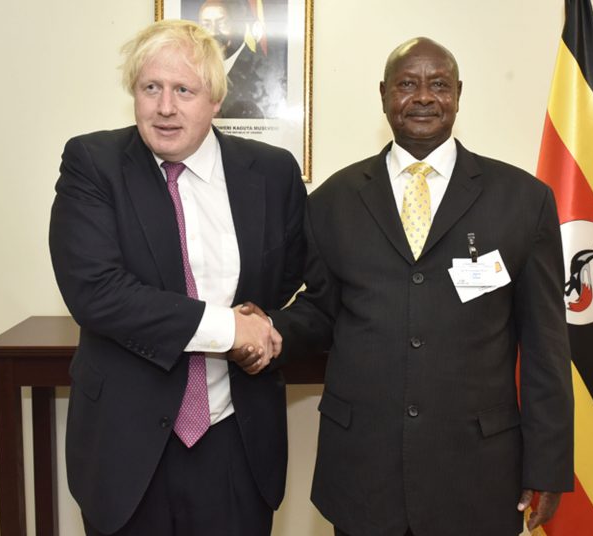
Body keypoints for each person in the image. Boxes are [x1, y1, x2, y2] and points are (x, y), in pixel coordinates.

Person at [238, 37, 574, 536]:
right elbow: (323, 312)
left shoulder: (523, 200)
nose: (423, 97)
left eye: (439, 84)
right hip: (362, 471)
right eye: (407, 84)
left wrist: (546, 467)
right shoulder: (334, 200)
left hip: (478, 473)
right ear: (383, 94)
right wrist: (269, 328)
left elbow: (546, 346)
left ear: (459, 93)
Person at [49, 19, 306, 536]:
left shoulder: (272, 173)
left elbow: (298, 281)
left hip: (236, 441)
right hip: (125, 448)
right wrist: (229, 329)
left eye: (183, 90)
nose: (165, 107)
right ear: (134, 95)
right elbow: (97, 293)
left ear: (214, 100)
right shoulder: (92, 164)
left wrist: (268, 331)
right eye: (151, 88)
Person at [197, 0, 287, 119]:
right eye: (206, 25)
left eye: (222, 23)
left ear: (235, 25)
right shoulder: (191, 68)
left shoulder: (260, 68)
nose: (214, 31)